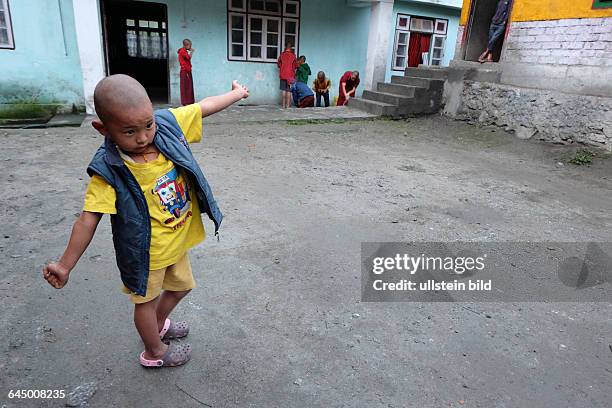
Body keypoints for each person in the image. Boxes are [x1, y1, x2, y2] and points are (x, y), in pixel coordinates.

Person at [42, 74, 249, 368]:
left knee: (182, 286)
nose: (142, 137)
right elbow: (88, 219)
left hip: (175, 241)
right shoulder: (108, 170)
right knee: (144, 303)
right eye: (129, 131)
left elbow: (204, 106)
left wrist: (237, 94)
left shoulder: (165, 126)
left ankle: (159, 323)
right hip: (145, 254)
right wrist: (65, 265)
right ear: (104, 129)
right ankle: (154, 351)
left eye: (147, 125)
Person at [277, 43, 298, 108]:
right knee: (289, 91)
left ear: (285, 48)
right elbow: (296, 66)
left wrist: (283, 68)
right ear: (291, 48)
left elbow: (278, 65)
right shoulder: (293, 56)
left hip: (283, 75)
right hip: (290, 76)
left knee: (283, 90)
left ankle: (283, 105)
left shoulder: (282, 55)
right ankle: (288, 106)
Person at [178, 39, 195, 105]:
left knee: (189, 86)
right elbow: (188, 58)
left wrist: (189, 50)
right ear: (186, 45)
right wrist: (191, 52)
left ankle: (189, 101)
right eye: (189, 46)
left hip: (187, 71)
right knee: (186, 87)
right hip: (185, 71)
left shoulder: (183, 50)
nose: (190, 47)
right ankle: (186, 102)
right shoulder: (182, 51)